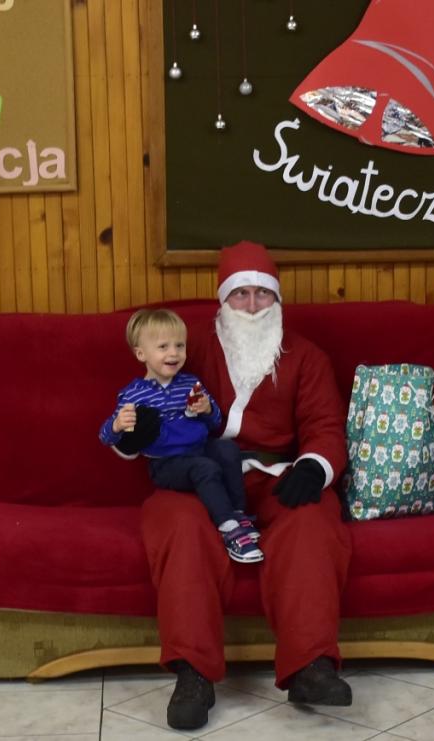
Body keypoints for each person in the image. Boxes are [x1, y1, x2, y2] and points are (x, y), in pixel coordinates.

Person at [141, 241, 352, 730]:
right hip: (200, 475)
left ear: (277, 299)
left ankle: (311, 666)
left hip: (275, 474)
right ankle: (193, 674)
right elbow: (153, 395)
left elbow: (325, 426)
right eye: (241, 294)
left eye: (263, 294)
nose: (253, 305)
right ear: (223, 299)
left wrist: (314, 467)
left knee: (313, 520)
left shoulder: (306, 356)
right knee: (180, 526)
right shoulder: (187, 347)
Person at [99, 308, 264, 564]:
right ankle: (229, 528)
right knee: (205, 468)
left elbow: (215, 422)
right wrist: (118, 424)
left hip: (199, 448)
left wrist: (207, 410)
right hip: (166, 463)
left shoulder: (190, 383)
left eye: (179, 345)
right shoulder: (133, 394)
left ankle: (238, 512)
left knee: (228, 449)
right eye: (163, 347)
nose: (174, 353)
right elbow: (105, 436)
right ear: (141, 354)